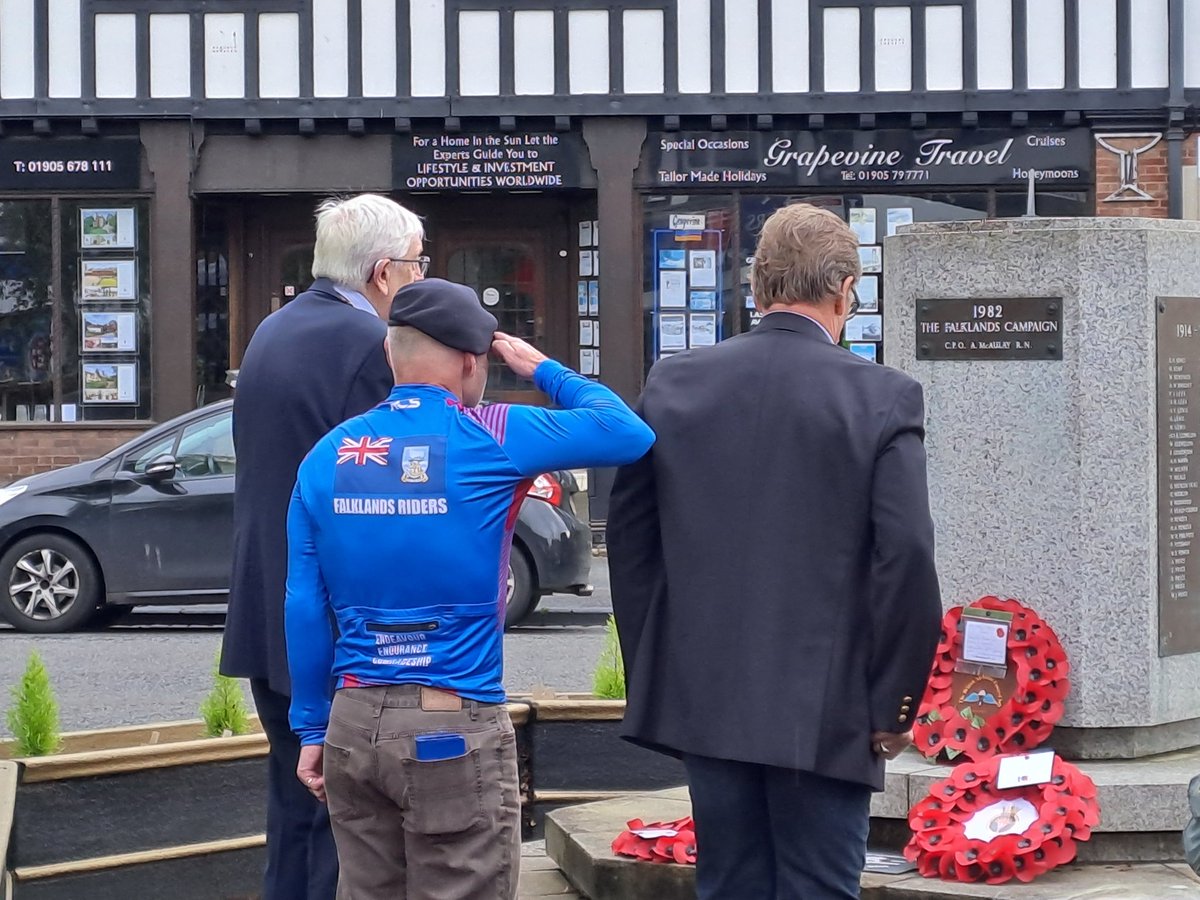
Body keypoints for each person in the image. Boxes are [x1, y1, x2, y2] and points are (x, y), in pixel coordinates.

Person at [607, 202, 942, 899]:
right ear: (846, 290)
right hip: (828, 708)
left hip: (707, 696)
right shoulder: (880, 397)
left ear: (757, 288)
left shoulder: (674, 384)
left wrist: (661, 673)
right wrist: (894, 705)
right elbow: (905, 559)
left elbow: (633, 547)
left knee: (728, 885)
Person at [285, 278, 655, 899]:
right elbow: (628, 432)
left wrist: (311, 729)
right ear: (470, 360)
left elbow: (301, 603)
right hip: (452, 721)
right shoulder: (491, 431)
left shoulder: (327, 454)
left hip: (352, 722)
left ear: (388, 355)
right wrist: (543, 368)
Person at [221, 194, 427, 900]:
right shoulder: (370, 347)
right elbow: (384, 496)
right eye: (416, 263)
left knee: (294, 813)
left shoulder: (273, 330)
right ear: (381, 272)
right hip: (336, 626)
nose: (421, 278)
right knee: (347, 829)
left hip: (270, 606)